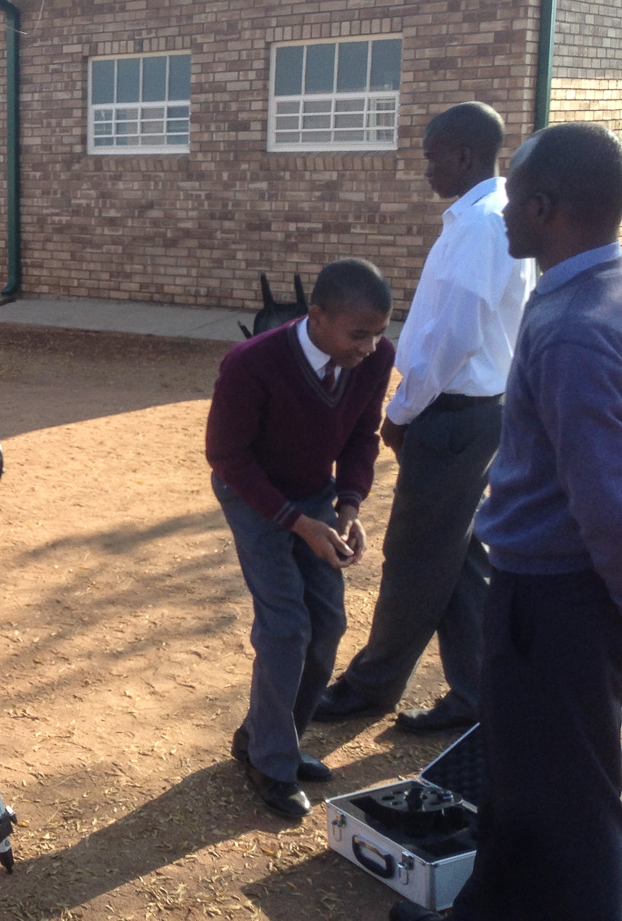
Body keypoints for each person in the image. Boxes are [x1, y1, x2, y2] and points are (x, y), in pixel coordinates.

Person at [391, 124, 622, 921]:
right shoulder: (598, 289)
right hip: (548, 587)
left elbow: (606, 502)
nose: (505, 214)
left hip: (555, 597)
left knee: (570, 800)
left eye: (515, 200)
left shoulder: (572, 329)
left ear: (546, 208)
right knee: (521, 773)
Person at [318, 104, 535, 733]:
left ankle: (371, 686)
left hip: (452, 415)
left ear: (464, 156)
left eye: (432, 157)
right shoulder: (483, 217)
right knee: (458, 558)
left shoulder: (482, 225)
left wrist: (402, 410)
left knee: (416, 557)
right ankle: (477, 691)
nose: (426, 169)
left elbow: (454, 337)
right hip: (472, 413)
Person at [206, 259, 395, 820]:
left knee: (328, 623)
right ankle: (270, 763)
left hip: (315, 495)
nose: (369, 347)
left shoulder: (375, 358)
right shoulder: (251, 363)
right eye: (358, 334)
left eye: (379, 332)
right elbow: (228, 457)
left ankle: (269, 737)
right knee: (286, 626)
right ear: (317, 317)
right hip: (252, 492)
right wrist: (298, 523)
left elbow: (362, 435)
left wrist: (348, 506)